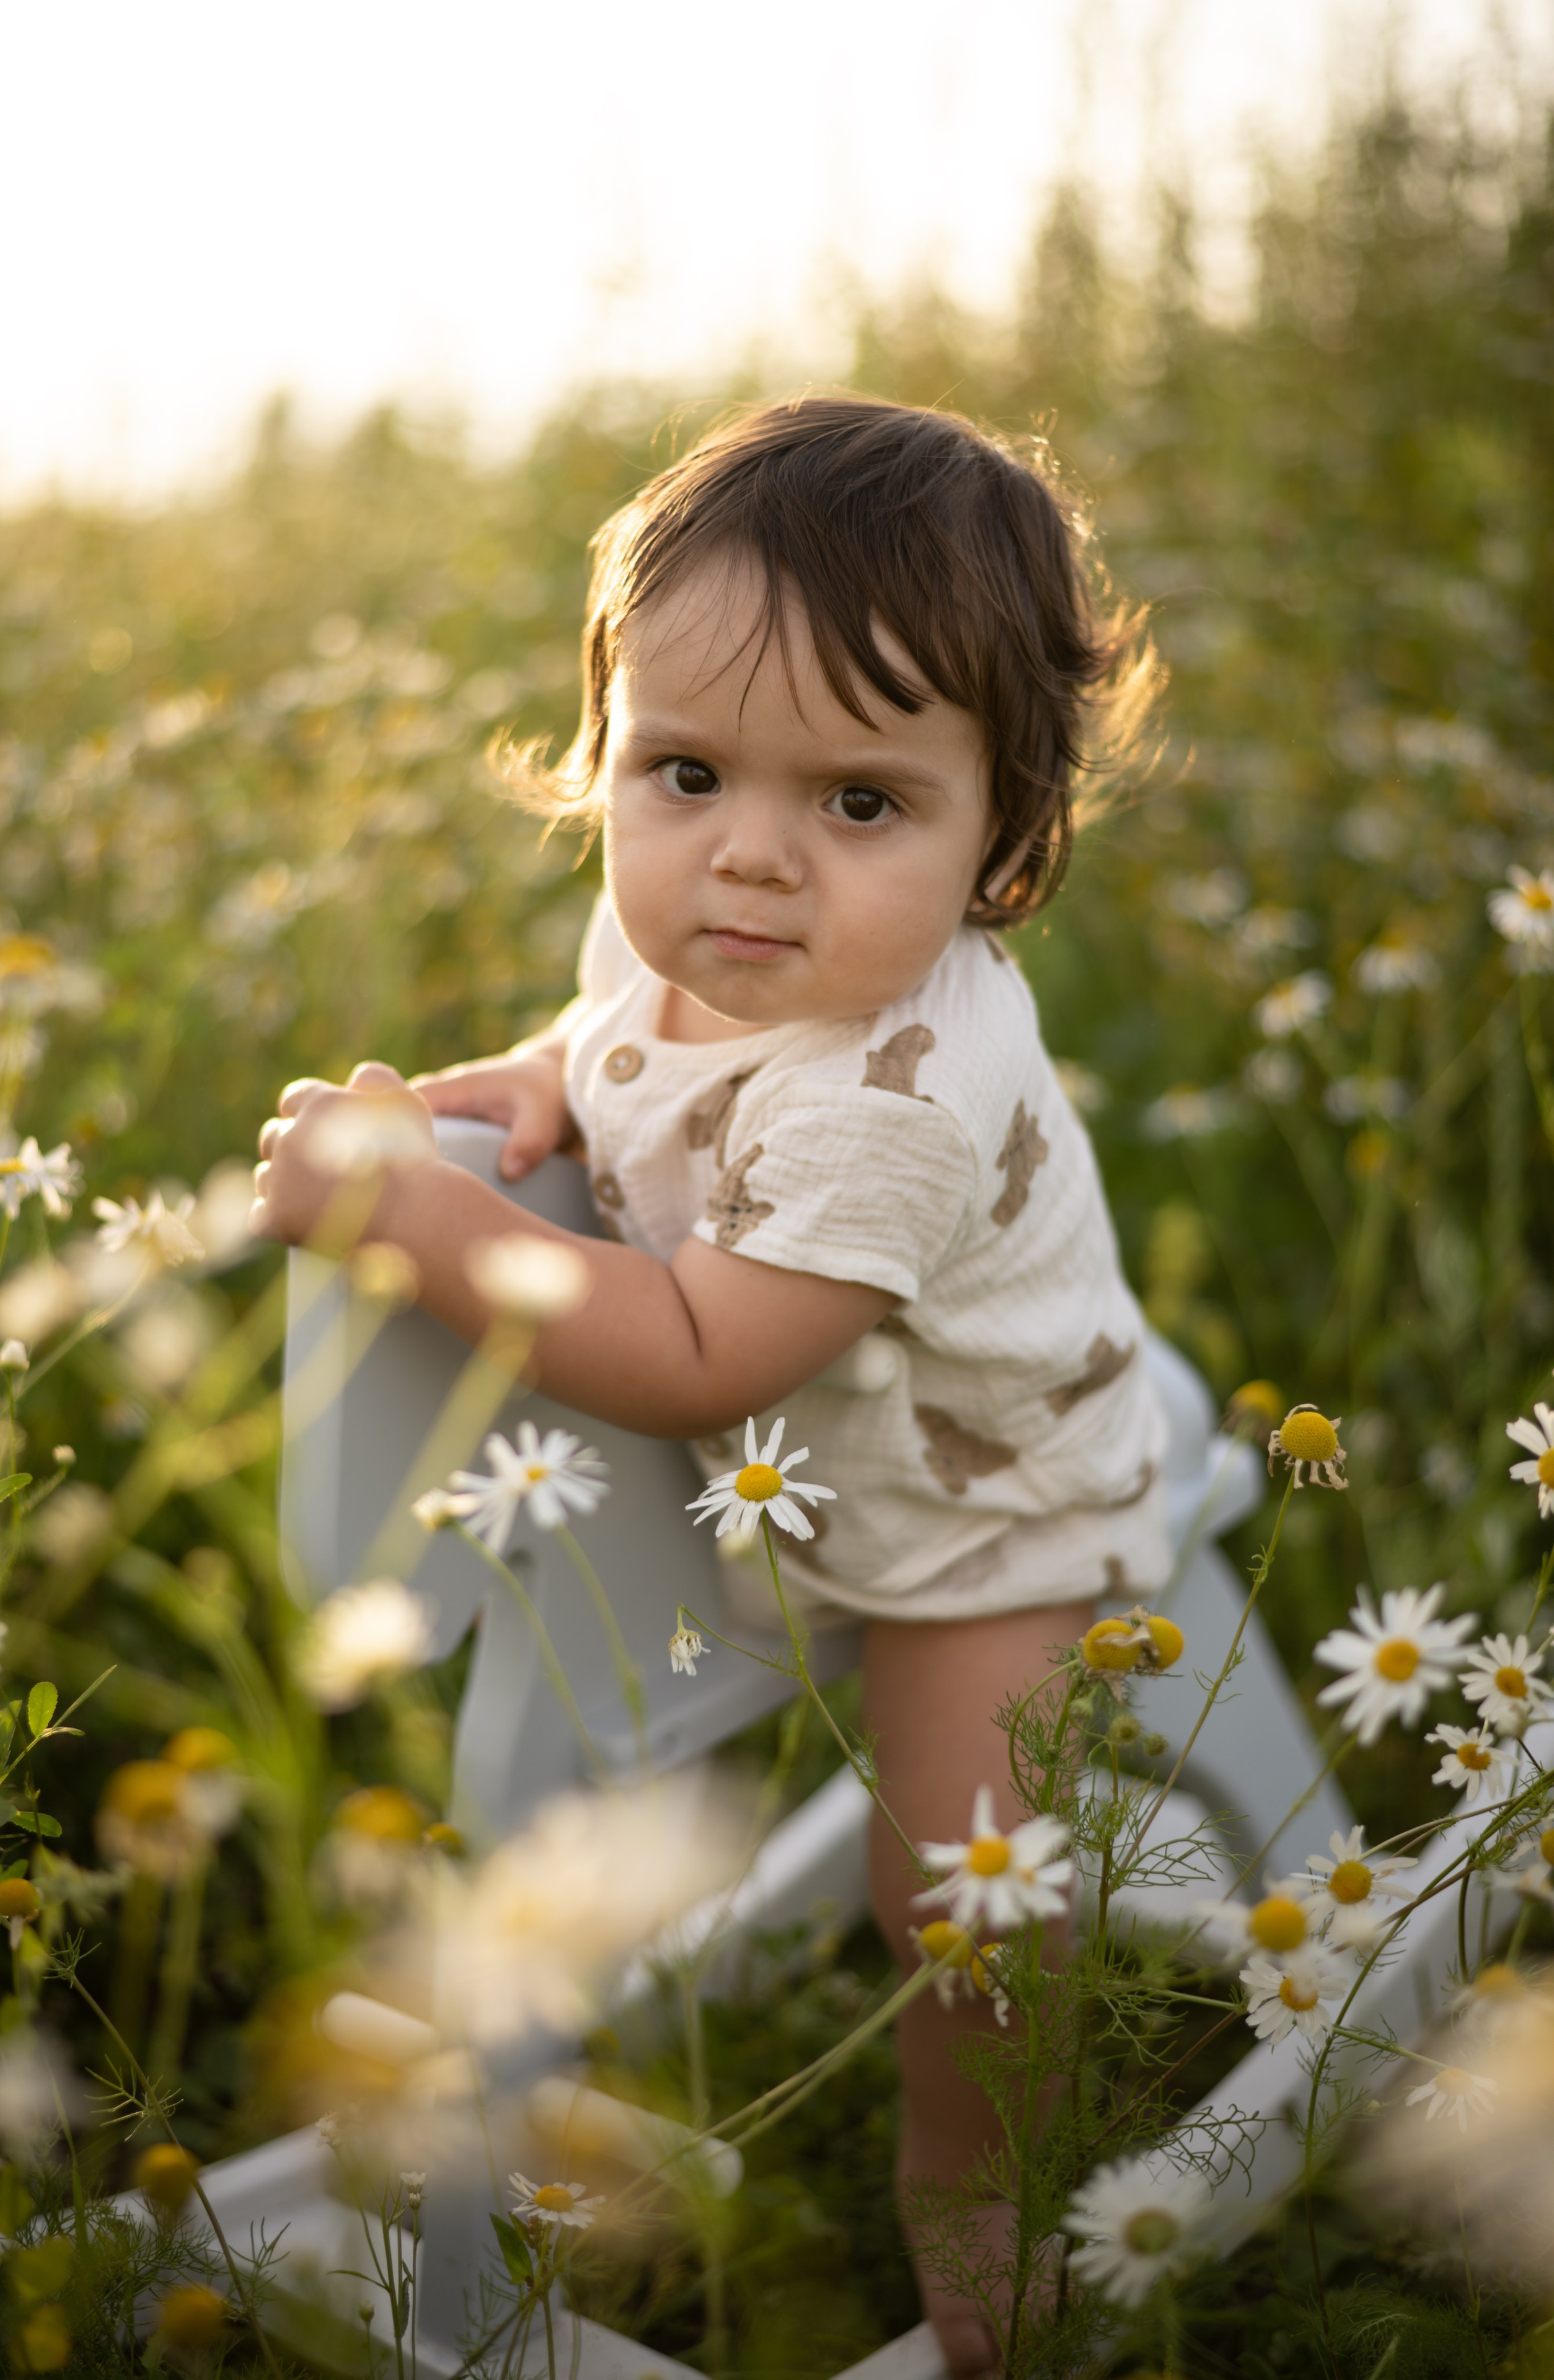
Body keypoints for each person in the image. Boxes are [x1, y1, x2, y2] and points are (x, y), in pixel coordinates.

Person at [252, 393, 1168, 2376]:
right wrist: (526, 1086)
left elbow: (690, 1359)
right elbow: (617, 1033)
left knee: (964, 1890)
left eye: (860, 803)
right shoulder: (707, 918)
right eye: (682, 773)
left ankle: (981, 2191)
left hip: (973, 1508)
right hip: (787, 1488)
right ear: (608, 757)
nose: (749, 860)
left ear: (1003, 839)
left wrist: (419, 1218)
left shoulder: (890, 1100)